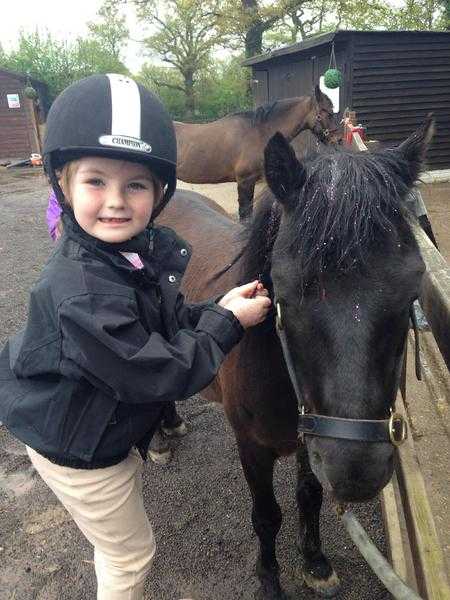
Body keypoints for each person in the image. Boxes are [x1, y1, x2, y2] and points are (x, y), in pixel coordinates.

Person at [0, 74, 271, 600]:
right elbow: (159, 371)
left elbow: (159, 323)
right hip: (81, 448)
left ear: (161, 192)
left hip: (95, 420)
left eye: (136, 185)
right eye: (96, 181)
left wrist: (217, 307)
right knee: (130, 555)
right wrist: (229, 324)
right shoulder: (82, 290)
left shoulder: (125, 254)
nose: (116, 201)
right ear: (63, 184)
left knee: (114, 540)